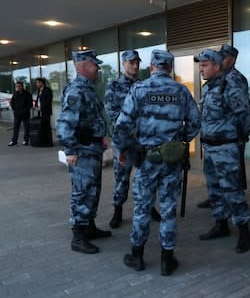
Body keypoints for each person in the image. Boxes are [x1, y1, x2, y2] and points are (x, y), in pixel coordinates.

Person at [114, 50, 200, 276]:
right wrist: (180, 141)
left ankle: (137, 257)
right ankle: (166, 261)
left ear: (152, 67)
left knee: (142, 208)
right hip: (171, 162)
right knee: (168, 210)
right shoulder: (180, 91)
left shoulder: (139, 89)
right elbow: (195, 122)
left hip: (146, 160)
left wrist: (125, 150)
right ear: (169, 68)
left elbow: (121, 125)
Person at [195, 49, 250, 253]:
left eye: (205, 65)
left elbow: (245, 115)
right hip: (210, 147)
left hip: (226, 148)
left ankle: (244, 230)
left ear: (217, 66)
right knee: (214, 190)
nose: (201, 69)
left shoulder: (230, 87)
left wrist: (239, 138)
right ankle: (221, 225)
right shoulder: (208, 88)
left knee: (232, 190)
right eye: (200, 65)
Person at [56, 49, 112, 255]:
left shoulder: (87, 89)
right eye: (94, 64)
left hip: (92, 148)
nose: (97, 67)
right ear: (82, 66)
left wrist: (100, 138)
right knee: (82, 192)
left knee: (93, 190)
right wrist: (70, 149)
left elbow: (91, 119)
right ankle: (78, 236)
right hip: (81, 151)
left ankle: (89, 227)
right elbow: (64, 124)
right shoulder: (76, 91)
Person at [105, 50, 161, 229]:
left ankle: (150, 207)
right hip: (124, 141)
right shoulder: (114, 86)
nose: (135, 66)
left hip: (143, 142)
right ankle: (118, 211)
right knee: (121, 177)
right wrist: (133, 126)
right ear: (124, 64)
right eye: (131, 62)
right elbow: (112, 113)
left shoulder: (144, 85)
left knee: (147, 177)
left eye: (137, 62)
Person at [8, 82, 32, 146]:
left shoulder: (27, 94)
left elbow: (30, 104)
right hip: (17, 114)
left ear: (22, 86)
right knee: (16, 128)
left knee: (26, 127)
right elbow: (12, 102)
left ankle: (26, 140)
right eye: (16, 86)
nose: (17, 87)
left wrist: (25, 110)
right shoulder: (15, 94)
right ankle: (14, 141)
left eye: (19, 86)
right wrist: (14, 109)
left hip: (25, 114)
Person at [34, 78, 53, 146]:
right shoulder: (39, 90)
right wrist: (36, 105)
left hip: (46, 111)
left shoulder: (48, 90)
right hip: (40, 111)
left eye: (37, 82)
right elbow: (38, 99)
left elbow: (48, 101)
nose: (36, 84)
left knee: (47, 126)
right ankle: (43, 141)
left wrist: (41, 107)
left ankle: (49, 142)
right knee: (42, 127)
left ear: (42, 83)